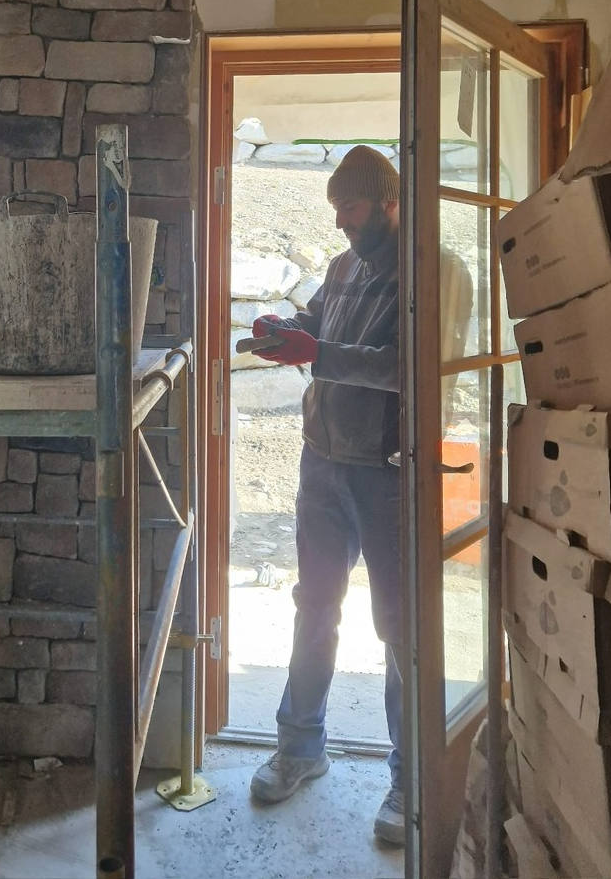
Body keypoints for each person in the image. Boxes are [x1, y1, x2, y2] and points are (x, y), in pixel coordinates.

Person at [247, 144, 406, 846]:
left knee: (400, 626)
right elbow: (316, 327)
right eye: (336, 208)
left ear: (386, 202)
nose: (341, 222)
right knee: (313, 606)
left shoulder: (420, 271)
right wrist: (285, 333)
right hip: (323, 465)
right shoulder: (341, 269)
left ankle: (409, 778)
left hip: (386, 470)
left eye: (352, 207)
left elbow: (405, 368)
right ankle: (299, 748)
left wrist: (318, 353)